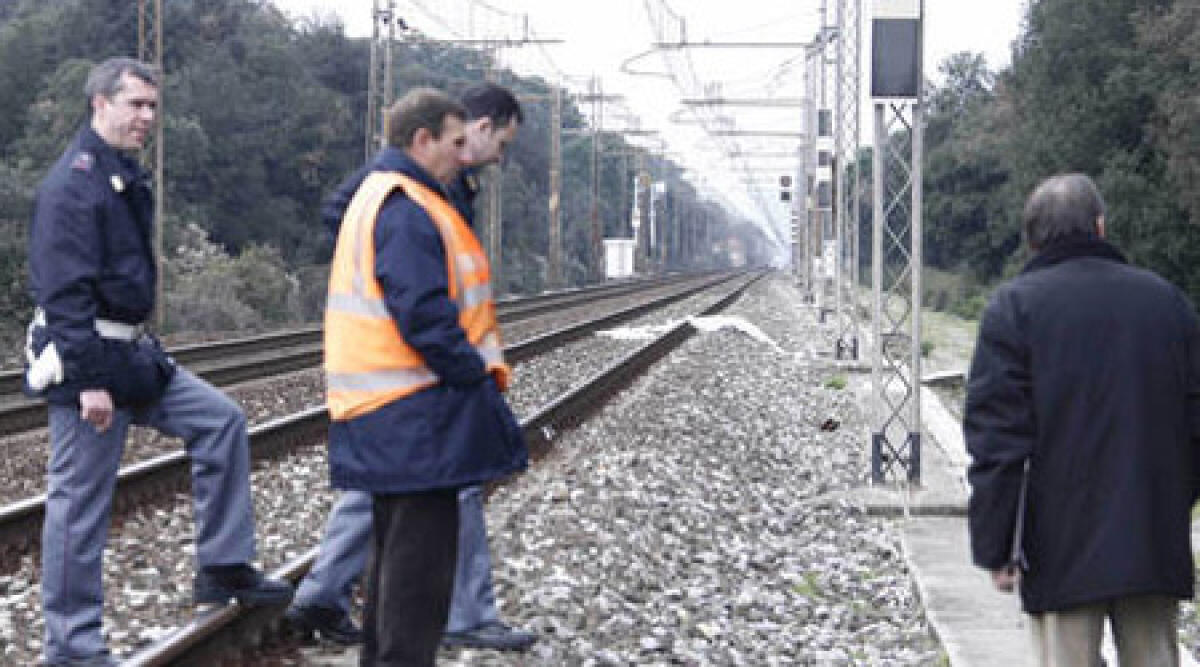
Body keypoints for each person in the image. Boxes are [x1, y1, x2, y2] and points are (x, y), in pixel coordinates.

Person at [25, 57, 292, 667]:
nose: (147, 116)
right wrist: (88, 381)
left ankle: (223, 567)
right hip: (89, 361)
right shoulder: (73, 183)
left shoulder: (119, 173)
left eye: (151, 106)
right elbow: (61, 291)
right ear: (100, 104)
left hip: (133, 355)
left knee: (220, 420)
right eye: (135, 104)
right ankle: (71, 649)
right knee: (79, 506)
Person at [286, 83, 535, 651]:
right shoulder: (405, 204)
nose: (465, 153)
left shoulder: (393, 194)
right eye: (453, 140)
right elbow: (423, 312)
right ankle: (417, 626)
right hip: (414, 410)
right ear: (424, 140)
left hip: (392, 410)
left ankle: (333, 600)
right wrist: (470, 374)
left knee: (398, 568)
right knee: (416, 578)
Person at [965, 172, 1200, 666]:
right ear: (1100, 226)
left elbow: (997, 442)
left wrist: (997, 546)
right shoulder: (1167, 303)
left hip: (1058, 546)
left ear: (1031, 239)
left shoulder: (1014, 309)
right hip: (1152, 539)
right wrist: (1174, 503)